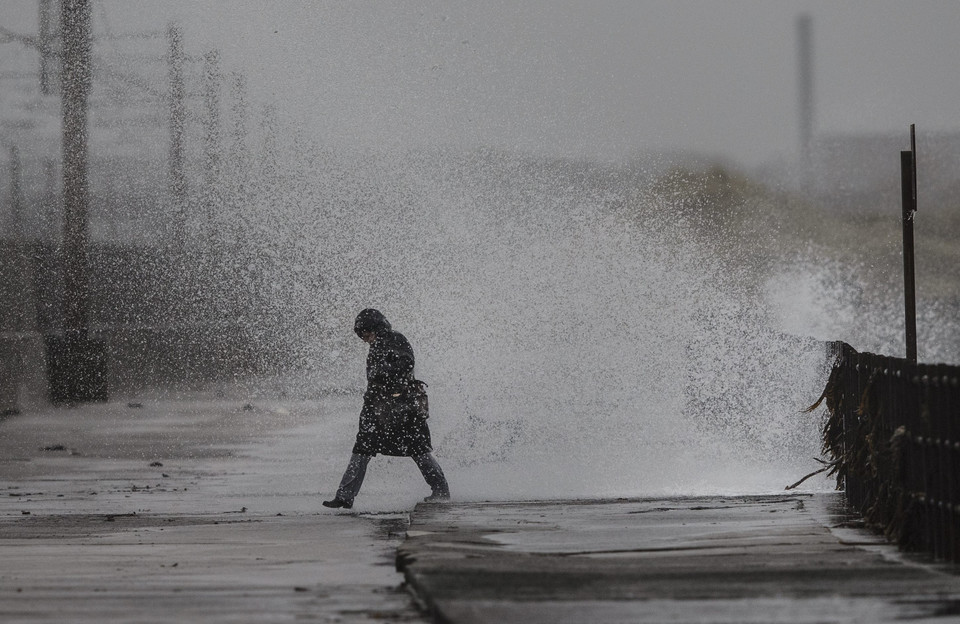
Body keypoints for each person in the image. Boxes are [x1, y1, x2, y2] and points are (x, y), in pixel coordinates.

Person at [323, 309, 450, 509]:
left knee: (419, 450)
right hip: (378, 409)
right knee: (362, 448)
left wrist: (384, 372)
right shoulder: (377, 345)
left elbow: (407, 363)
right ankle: (345, 496)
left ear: (376, 327)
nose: (364, 338)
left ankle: (441, 490)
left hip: (402, 410)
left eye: (365, 332)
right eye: (360, 334)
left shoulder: (395, 339)